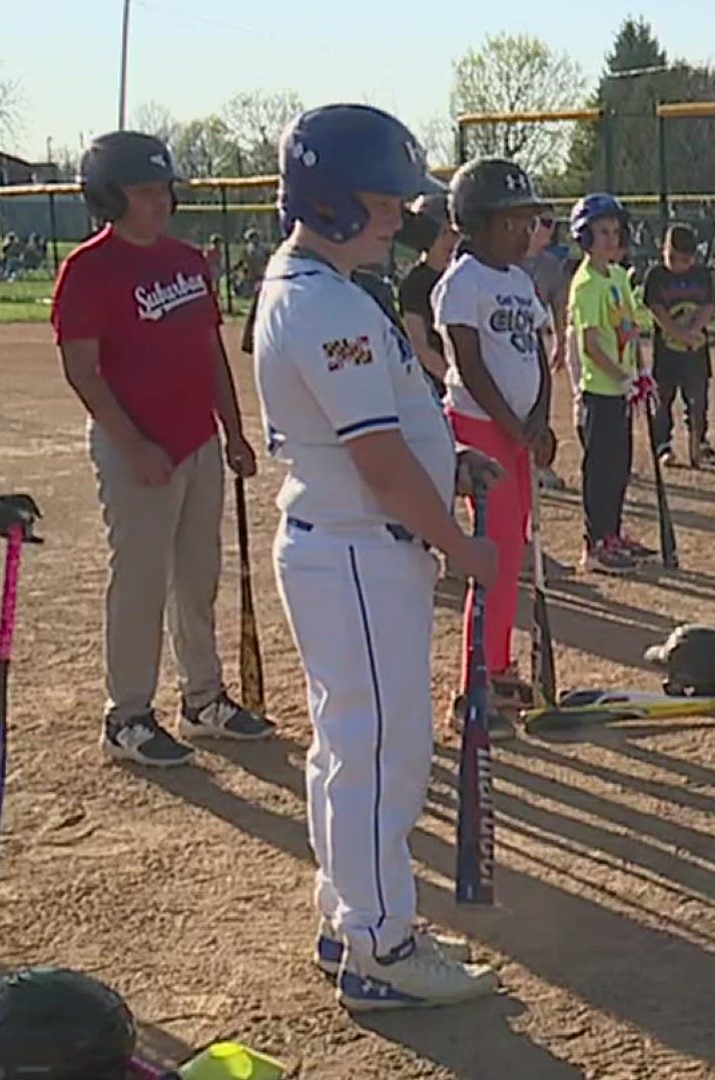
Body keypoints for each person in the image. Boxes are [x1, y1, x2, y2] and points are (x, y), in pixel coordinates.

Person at [252, 102, 503, 1010]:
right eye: (385, 200)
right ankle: (380, 947)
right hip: (362, 549)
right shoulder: (323, 304)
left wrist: (453, 456)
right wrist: (461, 546)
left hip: (354, 546)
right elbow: (380, 462)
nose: (402, 215)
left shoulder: (326, 290)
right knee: (380, 751)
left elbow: (396, 433)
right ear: (332, 201)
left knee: (350, 747)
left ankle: (351, 919)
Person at [50, 129, 274, 768]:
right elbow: (83, 370)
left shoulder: (186, 259)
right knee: (141, 583)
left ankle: (202, 701)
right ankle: (127, 716)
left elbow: (209, 351)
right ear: (108, 197)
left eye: (165, 189)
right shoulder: (88, 270)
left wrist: (231, 431)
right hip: (136, 451)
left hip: (198, 441)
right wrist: (135, 446)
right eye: (146, 191)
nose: (162, 201)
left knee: (198, 578)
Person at [433, 156, 556, 733]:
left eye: (528, 221)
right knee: (495, 559)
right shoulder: (462, 282)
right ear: (474, 223)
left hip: (516, 431)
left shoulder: (520, 282)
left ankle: (499, 664)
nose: (523, 232)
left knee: (512, 555)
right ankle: (473, 686)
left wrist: (540, 417)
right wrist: (509, 421)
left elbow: (538, 352)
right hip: (480, 429)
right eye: (510, 222)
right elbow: (468, 361)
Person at [566, 192, 651, 574]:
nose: (612, 239)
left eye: (615, 232)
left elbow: (629, 332)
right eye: (602, 232)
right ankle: (595, 543)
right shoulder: (586, 284)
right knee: (599, 470)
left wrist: (641, 371)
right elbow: (592, 347)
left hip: (621, 390)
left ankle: (613, 533)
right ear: (585, 237)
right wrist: (625, 377)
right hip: (599, 392)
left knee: (620, 467)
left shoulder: (618, 276)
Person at [642, 223, 715, 468]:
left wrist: (694, 330)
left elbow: (709, 305)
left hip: (696, 351)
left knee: (698, 398)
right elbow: (657, 310)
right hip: (667, 352)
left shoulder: (701, 275)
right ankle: (663, 444)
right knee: (663, 398)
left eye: (686, 260)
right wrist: (678, 333)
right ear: (665, 251)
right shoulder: (656, 276)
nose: (680, 265)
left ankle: (699, 440)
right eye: (674, 258)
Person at [521, 212, 571, 492]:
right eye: (543, 222)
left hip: (534, 341)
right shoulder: (509, 258)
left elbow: (558, 305)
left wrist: (560, 343)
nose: (549, 228)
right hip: (506, 341)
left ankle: (541, 464)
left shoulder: (551, 265)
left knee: (541, 401)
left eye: (553, 222)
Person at [395, 178, 455, 397]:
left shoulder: (460, 276)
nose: (451, 241)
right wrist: (456, 382)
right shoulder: (415, 284)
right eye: (443, 233)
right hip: (434, 389)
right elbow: (420, 347)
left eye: (454, 233)